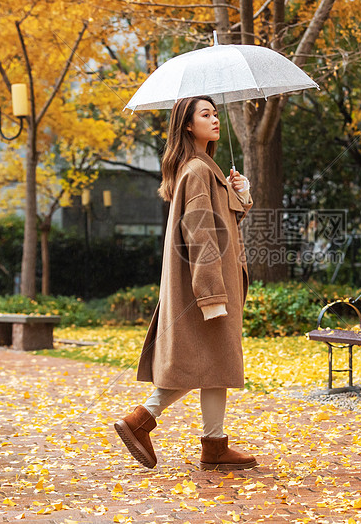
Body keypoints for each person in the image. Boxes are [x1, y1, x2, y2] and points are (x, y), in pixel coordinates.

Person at [114, 95, 256, 471]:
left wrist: (240, 194)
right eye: (205, 115)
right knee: (202, 361)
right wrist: (210, 294)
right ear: (188, 125)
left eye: (215, 113)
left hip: (208, 284)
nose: (215, 120)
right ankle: (140, 420)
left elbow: (222, 226)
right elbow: (201, 236)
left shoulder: (203, 169)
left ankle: (214, 444)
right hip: (205, 287)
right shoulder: (196, 170)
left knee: (215, 362)